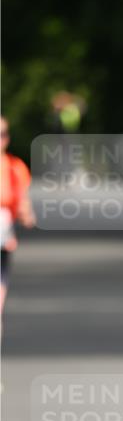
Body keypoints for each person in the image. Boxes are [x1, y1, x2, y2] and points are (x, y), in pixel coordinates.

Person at [1, 116, 36, 316]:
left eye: (3, 134)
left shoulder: (16, 167)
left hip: (3, 238)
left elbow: (24, 202)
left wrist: (27, 215)